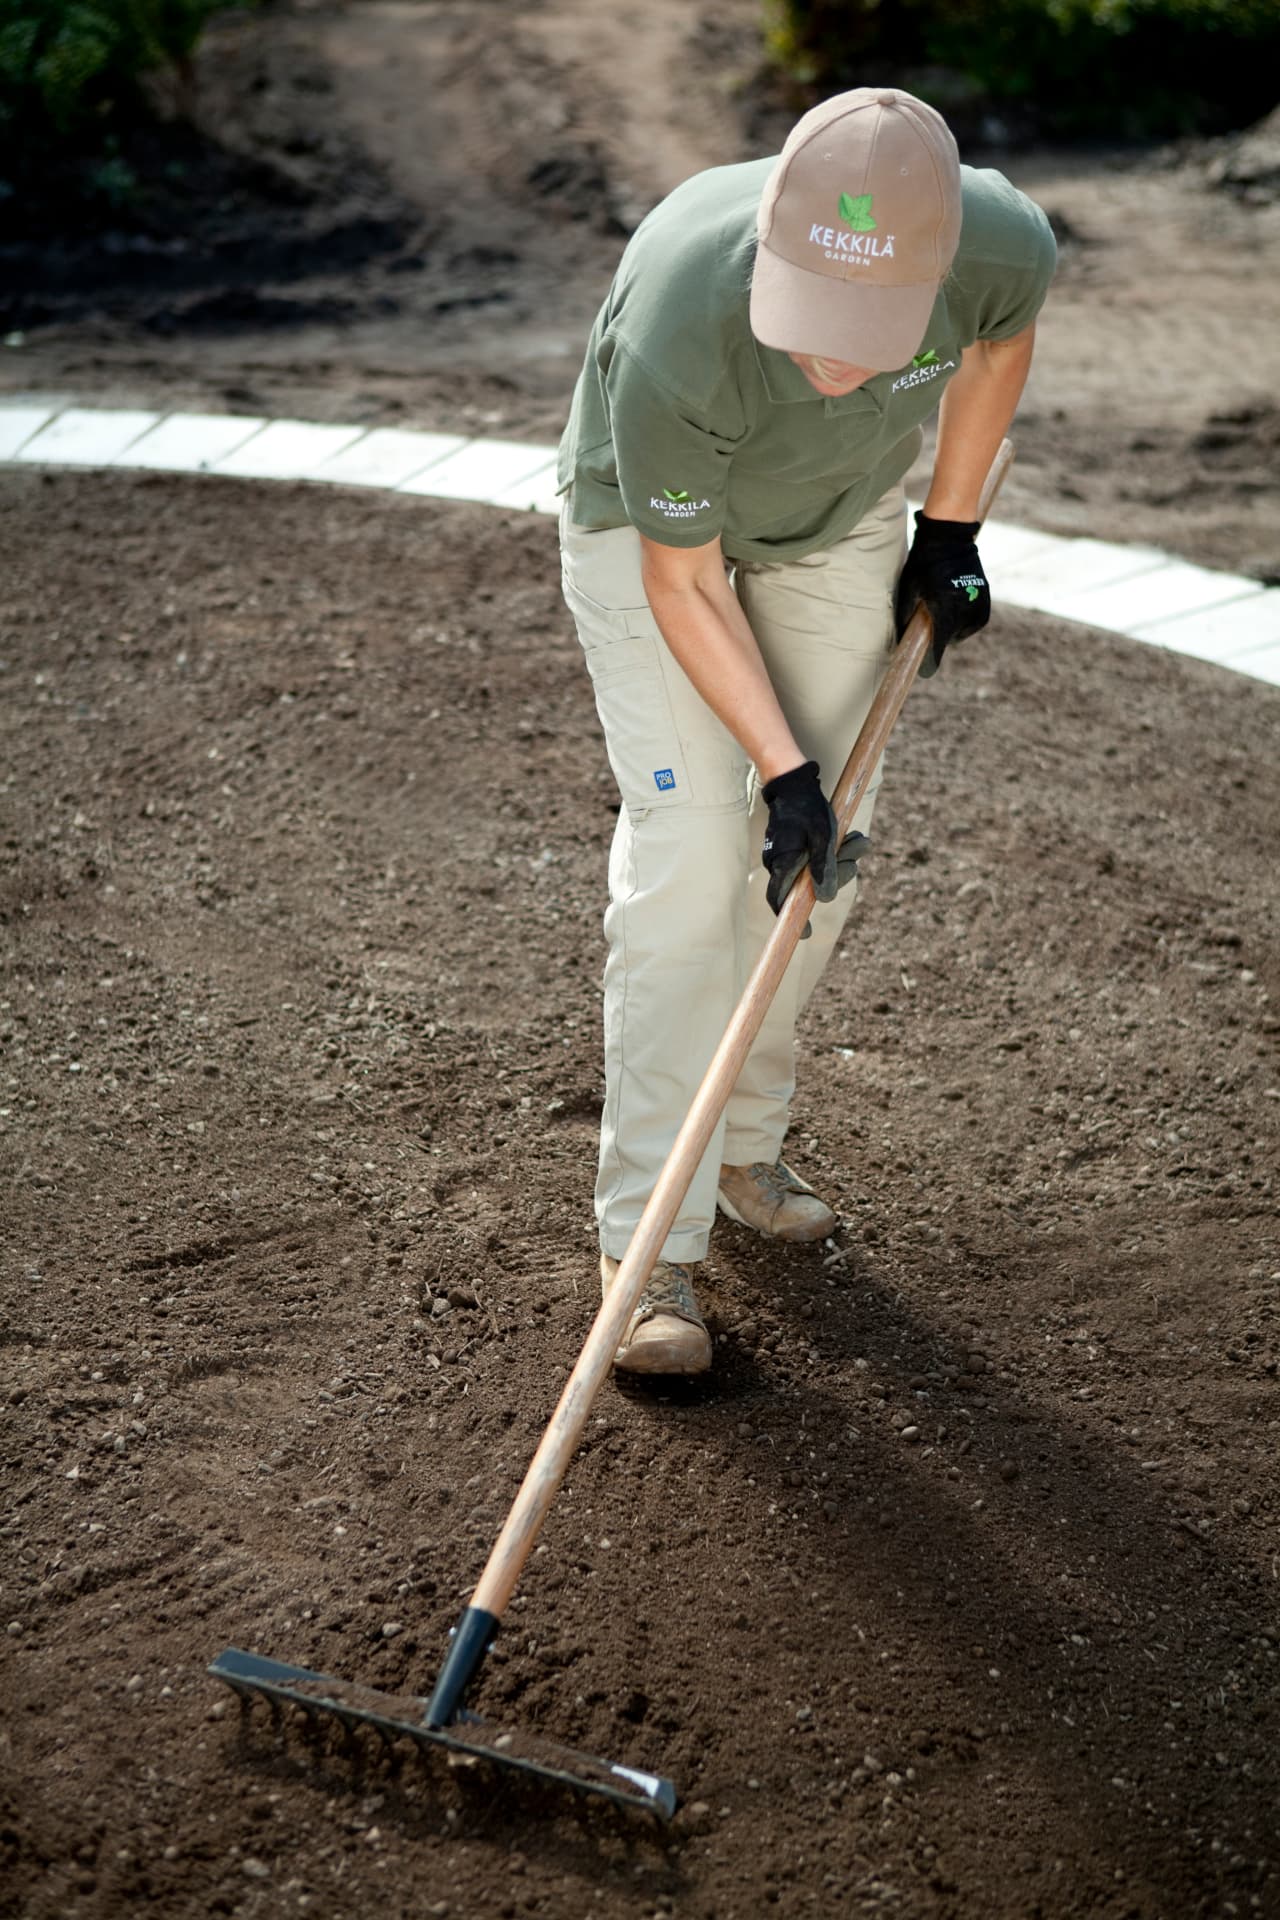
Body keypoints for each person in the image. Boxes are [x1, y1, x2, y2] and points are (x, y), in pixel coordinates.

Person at [556, 87, 1056, 1376]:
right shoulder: (684, 314)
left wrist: (948, 531)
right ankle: (647, 1240)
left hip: (838, 518)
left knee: (827, 857)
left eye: (868, 336)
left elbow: (1003, 340)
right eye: (813, 324)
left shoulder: (997, 243)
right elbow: (683, 583)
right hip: (659, 535)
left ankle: (739, 1146)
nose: (834, 363)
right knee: (691, 862)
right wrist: (778, 770)